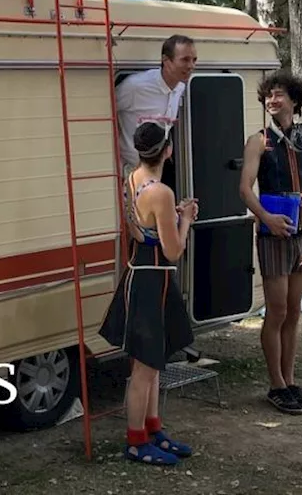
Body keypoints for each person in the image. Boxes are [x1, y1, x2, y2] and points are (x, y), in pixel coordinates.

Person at [98, 121, 198, 466]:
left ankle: (153, 429)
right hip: (153, 279)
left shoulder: (131, 178)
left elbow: (139, 230)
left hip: (141, 273)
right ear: (168, 151)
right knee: (144, 368)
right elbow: (174, 251)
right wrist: (186, 219)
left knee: (154, 362)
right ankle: (136, 440)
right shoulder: (162, 193)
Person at [238, 71, 302, 415]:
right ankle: (275, 384)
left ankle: (290, 381)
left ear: (294, 100)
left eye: (279, 95)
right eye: (268, 96)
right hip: (273, 233)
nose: (272, 101)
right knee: (276, 311)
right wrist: (267, 218)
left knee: (294, 311)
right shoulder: (259, 141)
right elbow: (245, 189)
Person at [115, 35, 198, 186]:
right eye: (185, 60)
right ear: (166, 61)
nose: (191, 66)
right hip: (130, 174)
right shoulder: (135, 87)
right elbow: (106, 113)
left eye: (194, 60)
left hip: (157, 171)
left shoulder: (180, 87)